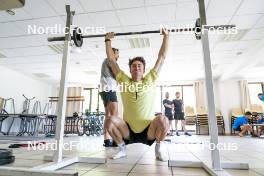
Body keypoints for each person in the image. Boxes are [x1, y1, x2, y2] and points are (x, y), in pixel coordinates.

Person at [104, 28, 169, 161]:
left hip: (148, 130)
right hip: (128, 131)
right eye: (134, 66)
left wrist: (166, 37)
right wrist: (107, 40)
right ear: (130, 69)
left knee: (163, 120)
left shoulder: (151, 78)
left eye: (139, 65)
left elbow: (161, 58)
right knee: (109, 120)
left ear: (144, 69)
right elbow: (111, 61)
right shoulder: (123, 79)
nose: (137, 67)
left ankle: (158, 149)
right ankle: (122, 149)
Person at [99, 48, 119, 147]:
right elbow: (118, 75)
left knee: (108, 116)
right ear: (112, 53)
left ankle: (107, 140)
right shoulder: (110, 60)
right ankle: (115, 140)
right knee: (114, 115)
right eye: (116, 54)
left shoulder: (106, 61)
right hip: (109, 88)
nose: (118, 56)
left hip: (104, 89)